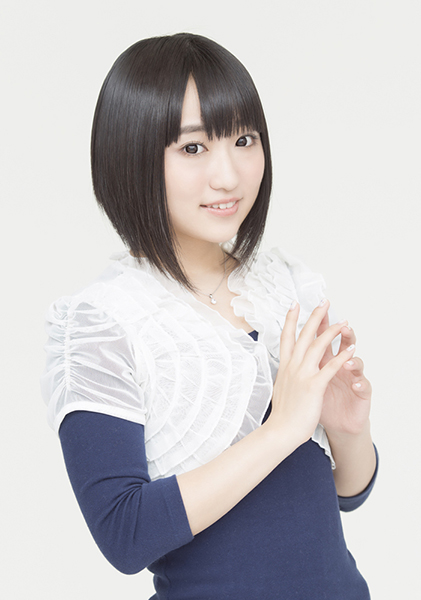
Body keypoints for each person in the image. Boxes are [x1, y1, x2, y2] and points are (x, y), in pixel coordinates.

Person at [41, 33, 378, 599]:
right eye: (193, 148)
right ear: (131, 154)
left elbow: (348, 492)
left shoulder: (288, 285)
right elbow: (125, 533)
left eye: (244, 139)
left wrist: (348, 430)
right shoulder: (103, 322)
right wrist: (283, 429)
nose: (229, 175)